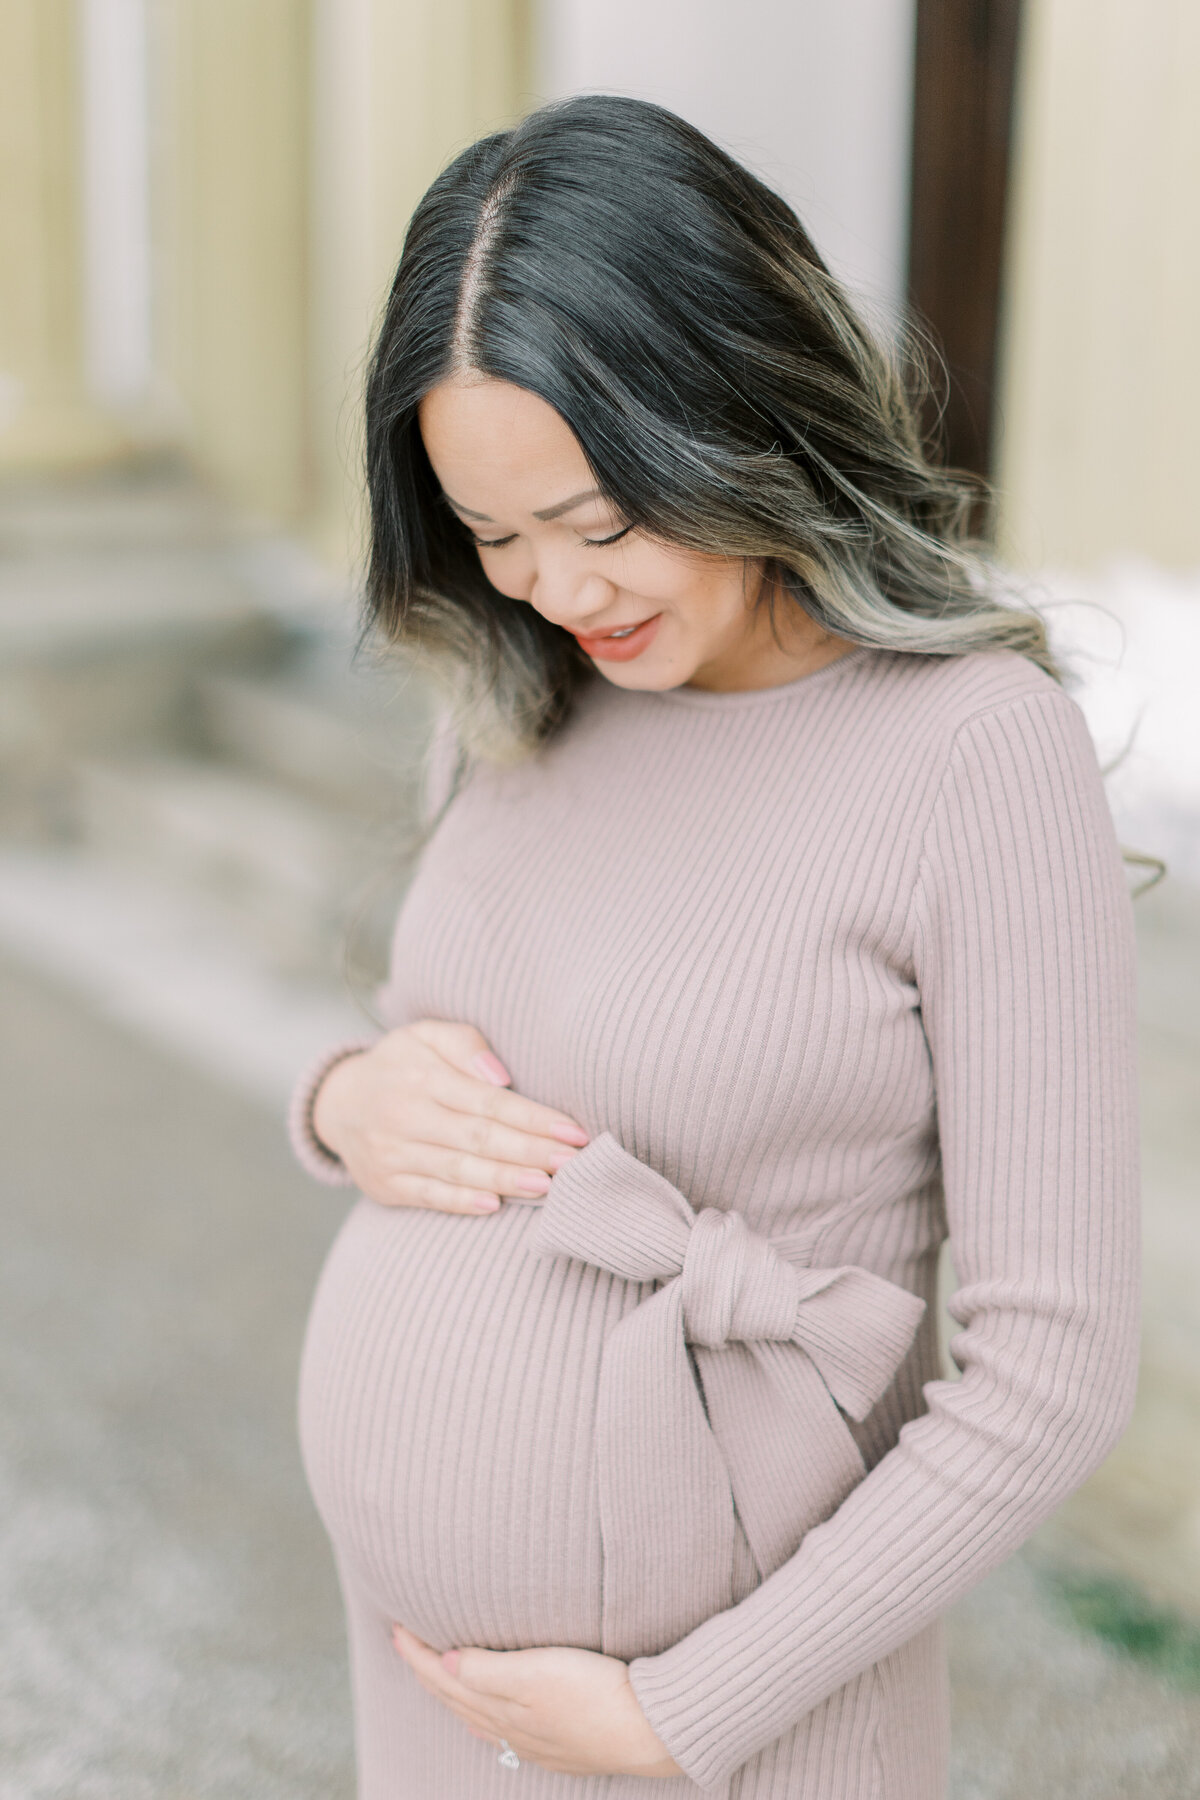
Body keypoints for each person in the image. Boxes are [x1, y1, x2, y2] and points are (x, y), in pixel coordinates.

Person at [286, 95, 1140, 1800]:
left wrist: (693, 1712)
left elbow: (1055, 1372)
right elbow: (431, 1074)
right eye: (495, 535)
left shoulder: (970, 753)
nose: (554, 589)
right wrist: (339, 1103)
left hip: (744, 1736)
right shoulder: (518, 704)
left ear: (738, 414)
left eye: (601, 521)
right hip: (427, 1699)